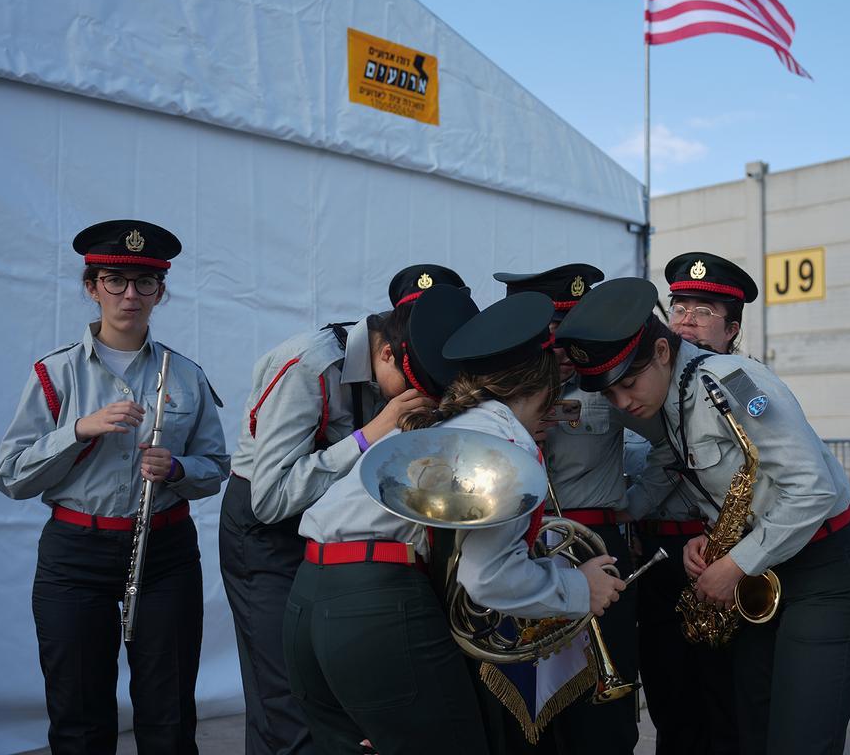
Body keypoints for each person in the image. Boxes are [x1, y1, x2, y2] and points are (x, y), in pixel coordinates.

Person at [282, 288, 623, 754]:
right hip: (377, 605)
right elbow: (488, 578)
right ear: (547, 381)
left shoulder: (441, 424)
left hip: (309, 599)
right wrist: (581, 588)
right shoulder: (503, 445)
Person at [556, 277, 850, 755]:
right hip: (763, 574)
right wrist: (711, 537)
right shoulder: (667, 399)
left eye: (627, 383)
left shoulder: (731, 381)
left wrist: (735, 563)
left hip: (825, 572)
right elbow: (727, 485)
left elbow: (813, 488)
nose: (623, 403)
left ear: (662, 352)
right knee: (750, 730)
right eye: (610, 393)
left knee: (800, 738)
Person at [0, 220, 229, 754]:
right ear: (91, 287)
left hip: (166, 553)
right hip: (75, 555)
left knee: (169, 713)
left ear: (160, 292)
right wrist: (79, 430)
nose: (130, 295)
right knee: (78, 715)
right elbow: (10, 475)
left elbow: (216, 467)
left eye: (145, 283)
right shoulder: (55, 373)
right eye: (114, 280)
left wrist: (177, 469)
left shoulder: (186, 374)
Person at [219, 264, 463, 754]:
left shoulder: (395, 361)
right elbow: (271, 498)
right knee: (286, 698)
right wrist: (372, 434)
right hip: (267, 535)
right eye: (410, 389)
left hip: (332, 529)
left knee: (333, 696)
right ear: (388, 351)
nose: (413, 402)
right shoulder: (309, 366)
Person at [493, 263, 637, 754]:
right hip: (520, 552)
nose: (563, 348)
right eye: (551, 333)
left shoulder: (606, 385)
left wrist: (633, 505)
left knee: (602, 720)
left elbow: (664, 445)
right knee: (526, 710)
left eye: (571, 332)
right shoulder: (490, 401)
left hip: (595, 546)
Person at [625, 252, 756, 755]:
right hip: (661, 556)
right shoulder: (652, 377)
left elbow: (775, 454)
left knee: (727, 698)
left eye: (704, 311)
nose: (687, 321)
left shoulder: (743, 380)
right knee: (669, 695)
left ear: (732, 330)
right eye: (680, 308)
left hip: (727, 558)